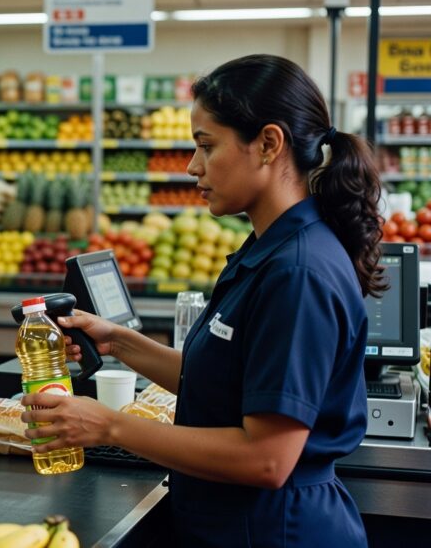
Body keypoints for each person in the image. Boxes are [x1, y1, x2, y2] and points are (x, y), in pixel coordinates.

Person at [22, 55, 381, 548]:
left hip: (275, 531)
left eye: (206, 146)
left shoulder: (298, 273)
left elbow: (267, 459)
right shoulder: (268, 248)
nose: (193, 167)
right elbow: (223, 383)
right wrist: (120, 343)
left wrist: (106, 424)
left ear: (269, 144)